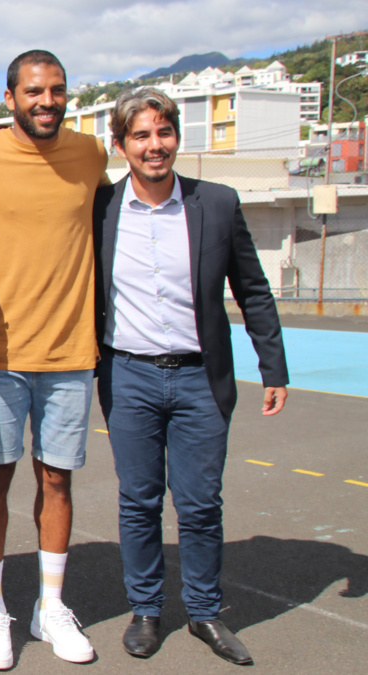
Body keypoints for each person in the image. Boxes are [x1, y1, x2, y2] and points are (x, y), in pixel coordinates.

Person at [94, 87, 288, 665]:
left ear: (177, 136)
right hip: (128, 376)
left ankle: (204, 613)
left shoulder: (218, 203)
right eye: (142, 135)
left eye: (164, 132)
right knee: (140, 500)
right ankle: (147, 610)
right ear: (121, 144)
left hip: (202, 379)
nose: (156, 146)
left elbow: (252, 289)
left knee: (201, 503)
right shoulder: (101, 209)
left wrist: (272, 365)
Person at [0, 49, 109, 669]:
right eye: (35, 91)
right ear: (8, 98)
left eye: (58, 91)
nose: (48, 101)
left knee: (57, 480)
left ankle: (50, 606)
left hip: (71, 352)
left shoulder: (91, 154)